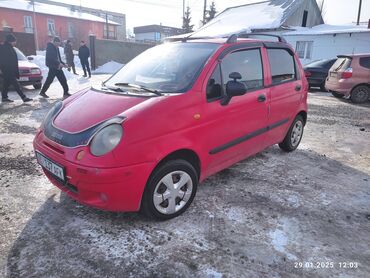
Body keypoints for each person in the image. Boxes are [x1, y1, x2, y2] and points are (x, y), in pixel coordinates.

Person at [0, 34, 32, 103]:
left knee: (6, 84)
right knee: (16, 84)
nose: (15, 42)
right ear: (10, 41)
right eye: (14, 41)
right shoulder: (4, 48)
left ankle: (4, 97)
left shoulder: (10, 47)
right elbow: (3, 60)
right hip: (8, 70)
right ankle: (23, 97)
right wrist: (6, 69)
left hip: (9, 70)